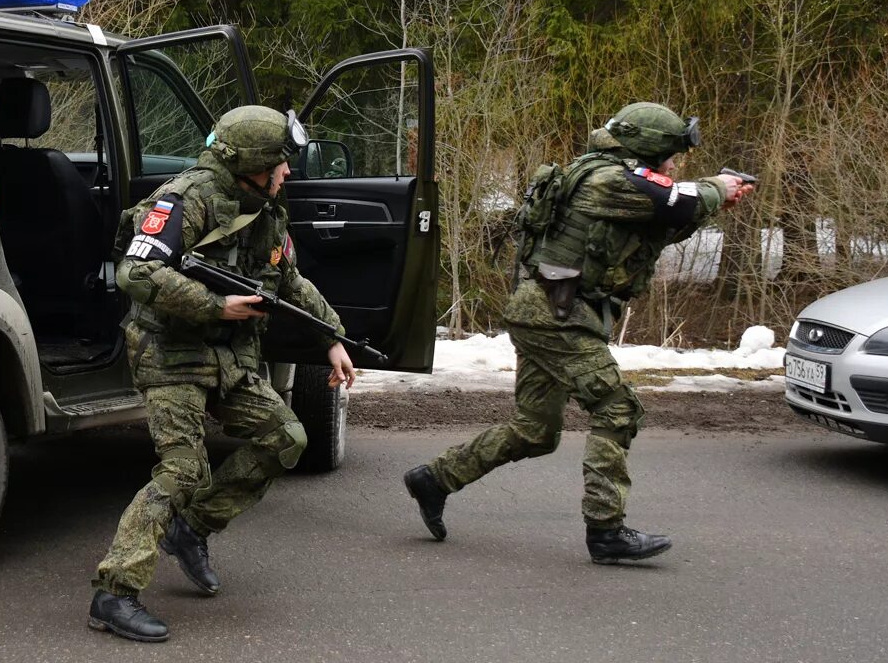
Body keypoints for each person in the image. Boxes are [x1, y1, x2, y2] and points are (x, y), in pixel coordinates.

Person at [403, 103, 754, 564]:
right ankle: (606, 531)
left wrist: (712, 203)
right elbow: (679, 200)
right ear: (647, 147)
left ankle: (434, 479)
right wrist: (717, 187)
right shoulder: (606, 180)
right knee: (618, 408)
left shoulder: (611, 180)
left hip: (546, 310)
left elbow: (660, 225)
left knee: (535, 431)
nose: (673, 164)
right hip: (555, 315)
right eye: (669, 154)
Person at [89, 105, 356, 642]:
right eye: (282, 161)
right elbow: (136, 271)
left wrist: (333, 339)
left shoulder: (267, 210)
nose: (288, 171)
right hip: (169, 353)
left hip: (227, 357)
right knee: (183, 468)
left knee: (285, 437)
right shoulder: (185, 199)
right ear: (255, 160)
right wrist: (216, 307)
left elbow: (291, 281)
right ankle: (114, 593)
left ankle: (193, 528)